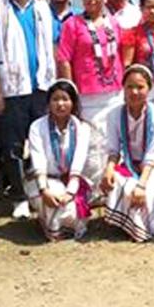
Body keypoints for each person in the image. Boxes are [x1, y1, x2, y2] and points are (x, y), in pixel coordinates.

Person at [0, 0, 56, 220]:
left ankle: (39, 191)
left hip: (41, 87)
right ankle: (18, 197)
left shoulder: (43, 9)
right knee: (12, 147)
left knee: (40, 143)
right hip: (12, 90)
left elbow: (54, 46)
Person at [101, 64, 154, 242]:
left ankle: (143, 226)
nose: (134, 92)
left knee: (146, 191)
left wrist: (141, 185)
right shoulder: (113, 114)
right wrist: (108, 170)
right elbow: (113, 150)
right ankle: (132, 225)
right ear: (123, 88)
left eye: (140, 87)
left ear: (149, 89)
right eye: (130, 87)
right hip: (128, 164)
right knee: (119, 184)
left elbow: (151, 155)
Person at [24, 80, 92, 241]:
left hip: (71, 180)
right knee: (53, 199)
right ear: (48, 103)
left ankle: (60, 223)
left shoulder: (82, 128)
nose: (60, 104)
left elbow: (78, 160)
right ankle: (50, 223)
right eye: (55, 99)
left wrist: (70, 192)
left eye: (65, 99)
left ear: (73, 103)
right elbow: (38, 159)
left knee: (68, 208)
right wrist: (44, 190)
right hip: (45, 179)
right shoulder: (37, 127)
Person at [57, 0, 124, 137]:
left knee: (113, 135)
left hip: (114, 92)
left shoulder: (114, 23)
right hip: (86, 94)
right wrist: (70, 94)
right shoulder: (72, 24)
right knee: (90, 137)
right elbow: (64, 59)